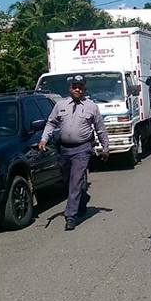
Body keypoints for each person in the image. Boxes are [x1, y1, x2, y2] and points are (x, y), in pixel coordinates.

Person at [39, 74, 110, 232]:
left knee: (76, 180)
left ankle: (70, 216)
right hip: (64, 149)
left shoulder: (91, 106)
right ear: (70, 88)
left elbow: (100, 129)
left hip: (82, 149)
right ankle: (82, 198)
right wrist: (44, 139)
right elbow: (51, 123)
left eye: (80, 87)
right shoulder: (60, 105)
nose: (77, 89)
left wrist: (105, 148)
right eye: (74, 86)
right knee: (67, 181)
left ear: (84, 89)